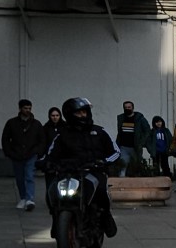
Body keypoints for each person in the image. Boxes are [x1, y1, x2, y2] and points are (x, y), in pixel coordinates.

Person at [45, 97, 120, 237]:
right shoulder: (62, 135)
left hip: (93, 171)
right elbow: (50, 153)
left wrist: (103, 161)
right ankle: (57, 219)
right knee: (51, 191)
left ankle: (105, 216)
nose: (83, 115)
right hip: (69, 172)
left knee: (101, 191)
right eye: (78, 113)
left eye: (84, 112)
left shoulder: (99, 131)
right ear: (69, 114)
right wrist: (46, 163)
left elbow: (115, 151)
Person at [1, 99, 45, 211]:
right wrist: (9, 152)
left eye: (29, 108)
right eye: (25, 108)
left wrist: (38, 152)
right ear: (20, 108)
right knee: (20, 178)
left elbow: (42, 139)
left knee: (29, 176)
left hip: (31, 154)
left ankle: (29, 198)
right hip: (16, 154)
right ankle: (23, 197)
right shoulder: (12, 123)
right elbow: (5, 139)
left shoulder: (36, 124)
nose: (28, 110)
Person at [114, 101, 152, 175]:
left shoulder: (140, 118)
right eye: (125, 107)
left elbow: (147, 131)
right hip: (123, 146)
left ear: (132, 108)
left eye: (129, 107)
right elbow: (120, 132)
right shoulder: (121, 118)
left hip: (135, 147)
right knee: (122, 167)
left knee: (136, 167)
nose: (127, 109)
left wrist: (141, 142)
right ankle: (122, 184)